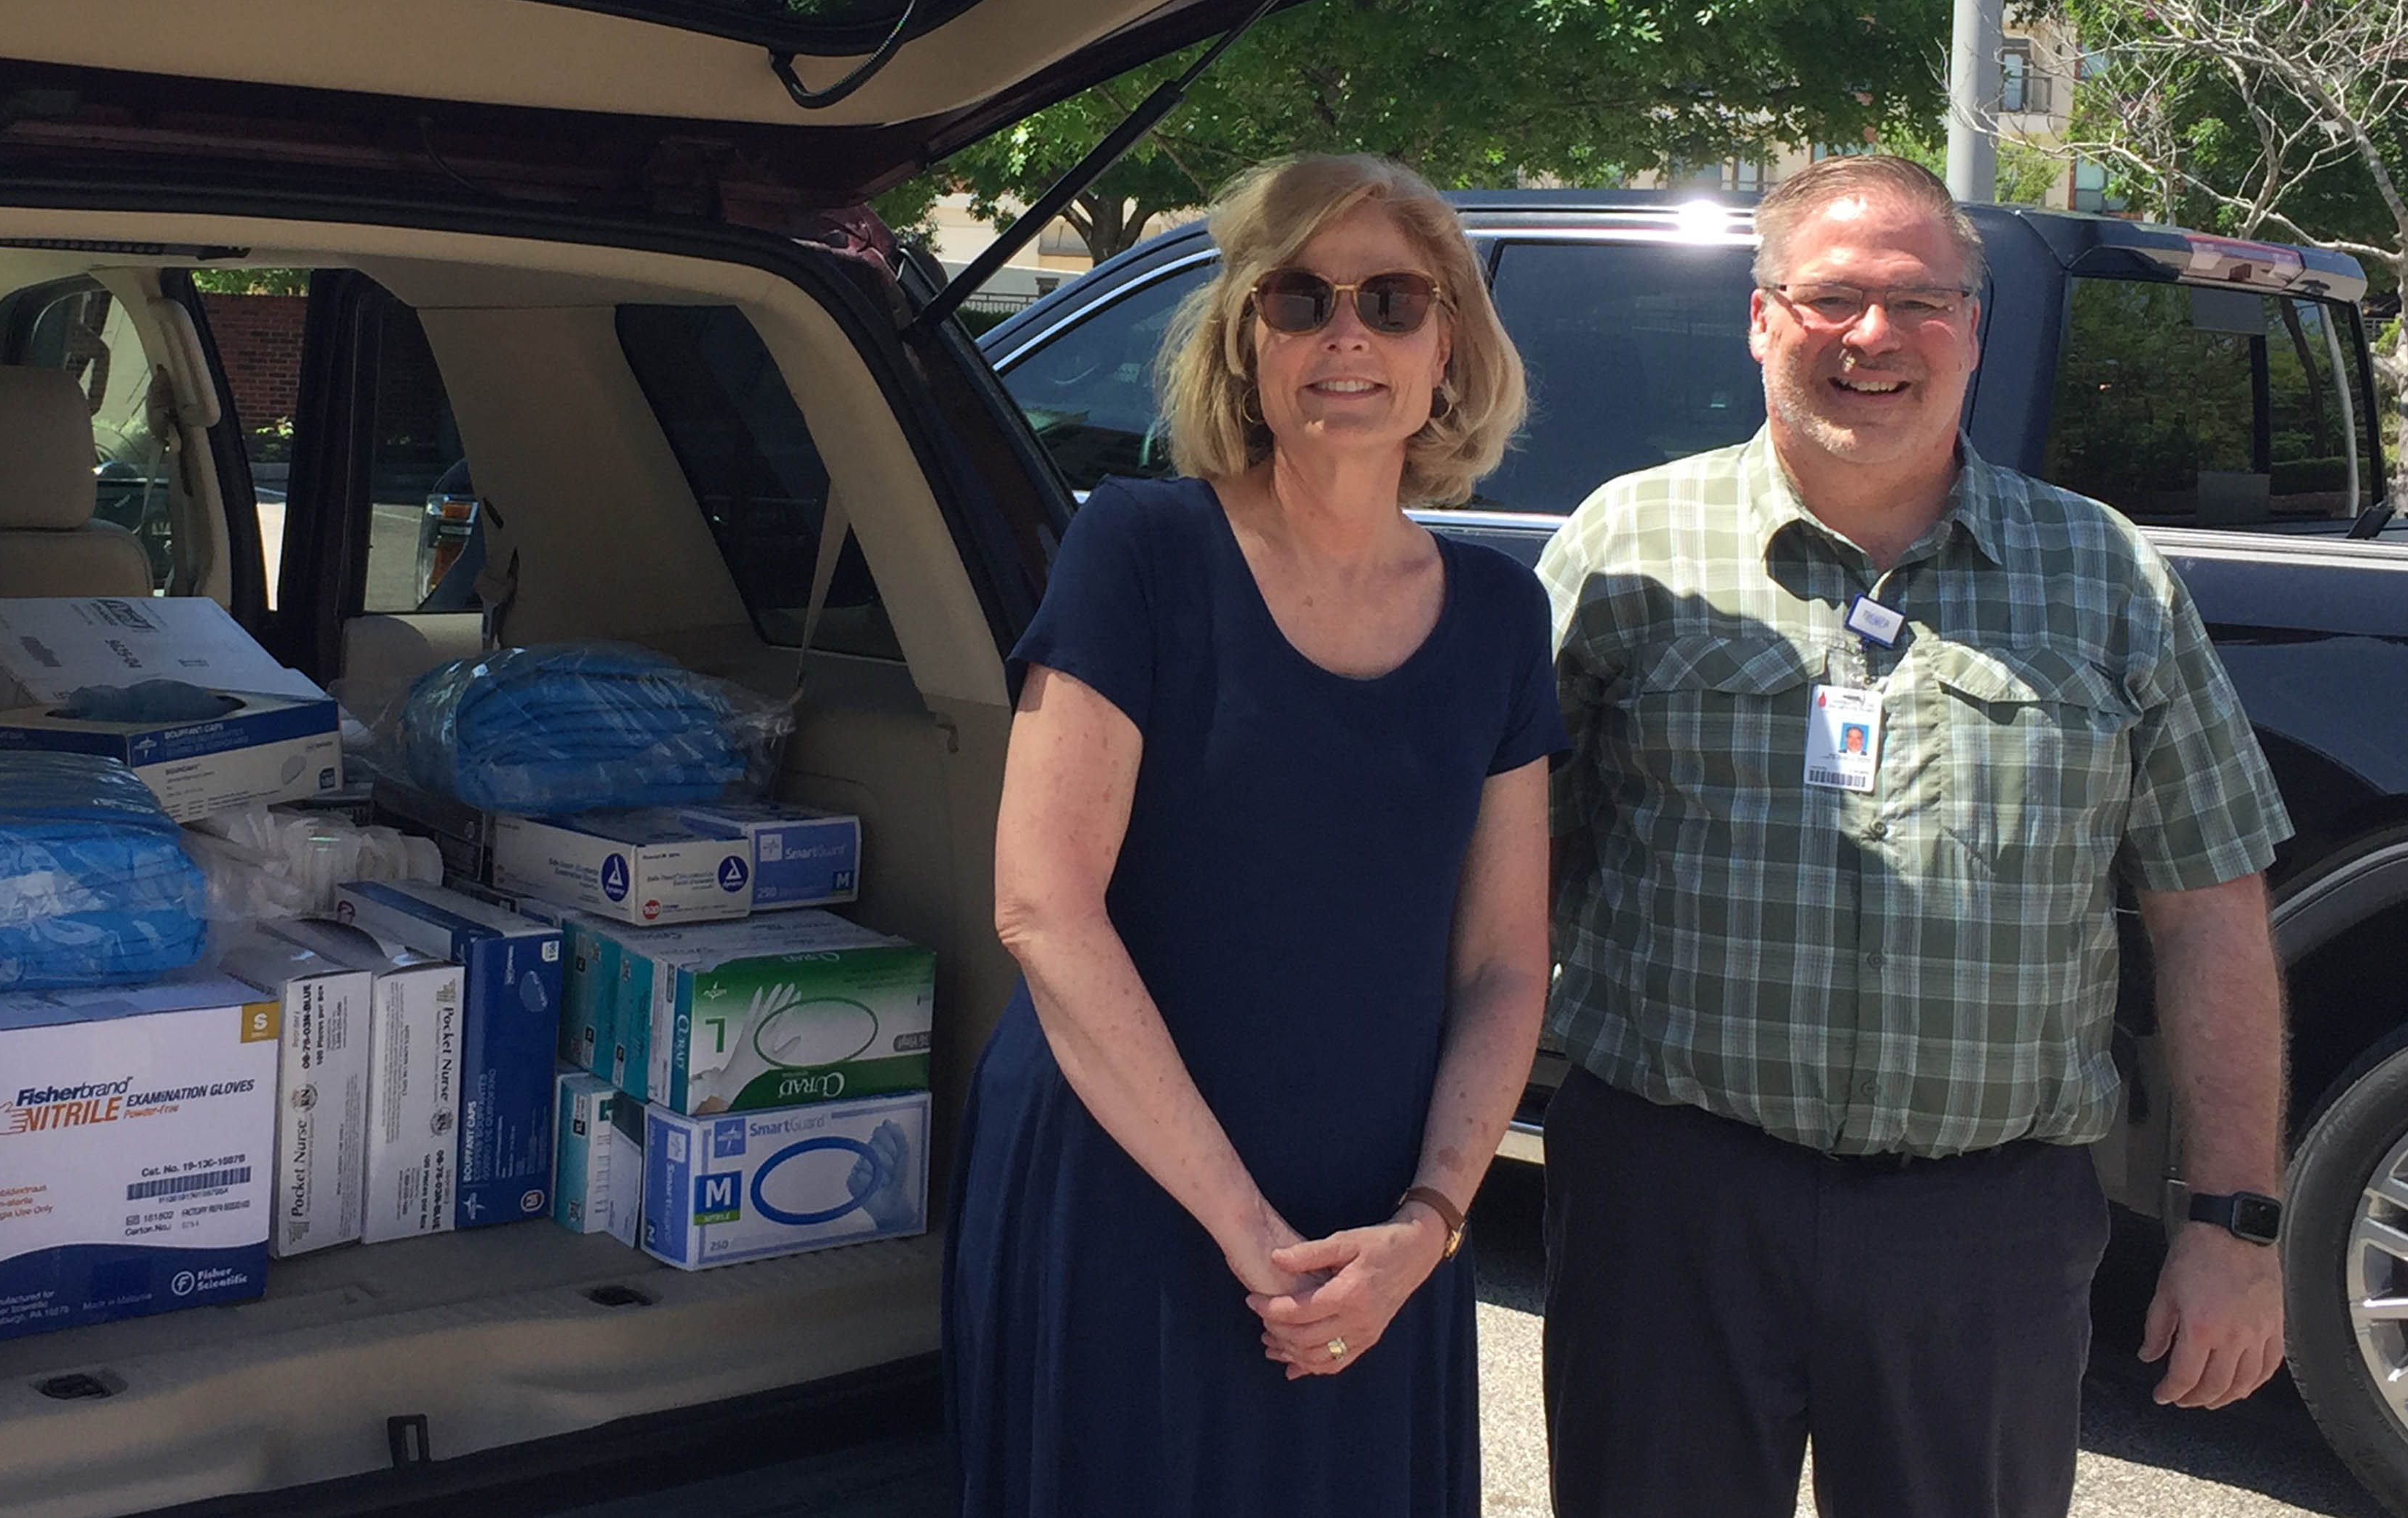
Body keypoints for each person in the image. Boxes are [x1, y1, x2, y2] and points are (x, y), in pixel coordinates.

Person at [1531, 154, 2298, 1517]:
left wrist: (2234, 1223)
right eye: (1829, 298)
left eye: (1918, 303)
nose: (1874, 337)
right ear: (1761, 320)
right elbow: (1500, 880)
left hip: (1985, 1234)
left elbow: (2210, 907)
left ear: (1975, 330)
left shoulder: (2109, 575)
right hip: (1670, 1201)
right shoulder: (1621, 549)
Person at [948, 154, 1560, 1518]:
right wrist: (1248, 1231)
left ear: (1449, 344)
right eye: (1301, 298)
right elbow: (1043, 905)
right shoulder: (1140, 549)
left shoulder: (1501, 616)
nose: (1348, 334)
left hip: (1377, 1221)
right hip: (1128, 1187)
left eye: (1393, 301)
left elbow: (1508, 961)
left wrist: (1431, 1223)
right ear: (1249, 338)